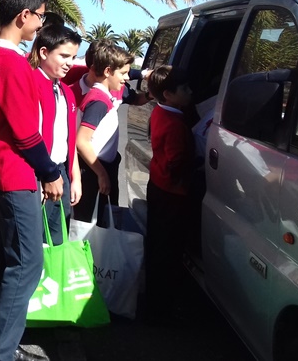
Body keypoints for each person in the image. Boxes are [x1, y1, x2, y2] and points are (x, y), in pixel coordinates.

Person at [0, 0, 55, 361]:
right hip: (16, 170)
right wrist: (50, 172)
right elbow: (25, 133)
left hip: (5, 167)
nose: (41, 23)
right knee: (26, 264)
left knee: (9, 258)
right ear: (24, 15)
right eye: (40, 16)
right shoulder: (9, 62)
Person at [144, 65, 194, 321]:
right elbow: (176, 161)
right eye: (185, 89)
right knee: (168, 249)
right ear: (168, 94)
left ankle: (152, 299)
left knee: (156, 243)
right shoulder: (176, 124)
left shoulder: (159, 112)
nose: (191, 92)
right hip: (172, 193)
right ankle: (160, 309)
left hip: (158, 185)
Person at [29, 24, 83, 245]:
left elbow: (70, 140)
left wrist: (75, 177)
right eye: (64, 56)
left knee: (58, 238)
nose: (70, 63)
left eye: (73, 57)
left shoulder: (66, 91)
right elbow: (28, 136)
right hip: (40, 173)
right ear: (44, 52)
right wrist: (43, 175)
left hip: (61, 172)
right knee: (34, 240)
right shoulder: (31, 84)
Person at [73, 40, 134, 224]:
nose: (127, 78)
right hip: (92, 171)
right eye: (123, 73)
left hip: (98, 168)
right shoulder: (99, 101)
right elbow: (81, 141)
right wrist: (101, 173)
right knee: (92, 224)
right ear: (108, 71)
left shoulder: (102, 97)